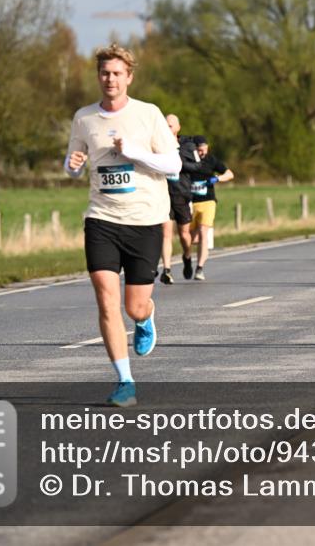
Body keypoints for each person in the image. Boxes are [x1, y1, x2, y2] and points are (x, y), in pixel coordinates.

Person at [65, 44, 181, 407]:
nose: (110, 79)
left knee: (133, 306)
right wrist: (72, 163)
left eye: (117, 73)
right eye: (104, 73)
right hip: (101, 218)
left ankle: (145, 317)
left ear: (129, 76)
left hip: (144, 220)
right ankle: (124, 380)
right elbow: (71, 166)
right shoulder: (84, 117)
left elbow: (174, 166)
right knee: (105, 298)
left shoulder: (148, 114)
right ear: (97, 76)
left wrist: (134, 152)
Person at [160, 115, 215, 283]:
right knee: (166, 234)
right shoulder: (158, 143)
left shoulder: (188, 145)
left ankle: (187, 255)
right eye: (165, 125)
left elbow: (198, 166)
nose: (166, 129)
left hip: (182, 194)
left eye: (170, 126)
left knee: (184, 234)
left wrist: (179, 163)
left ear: (178, 127)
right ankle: (167, 270)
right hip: (164, 194)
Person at [189, 136, 235, 280]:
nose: (203, 153)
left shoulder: (212, 160)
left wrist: (217, 178)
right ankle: (187, 257)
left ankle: (200, 268)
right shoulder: (187, 160)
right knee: (190, 239)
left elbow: (230, 174)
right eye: (200, 150)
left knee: (203, 233)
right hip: (190, 203)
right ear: (194, 149)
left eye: (204, 149)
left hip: (208, 201)